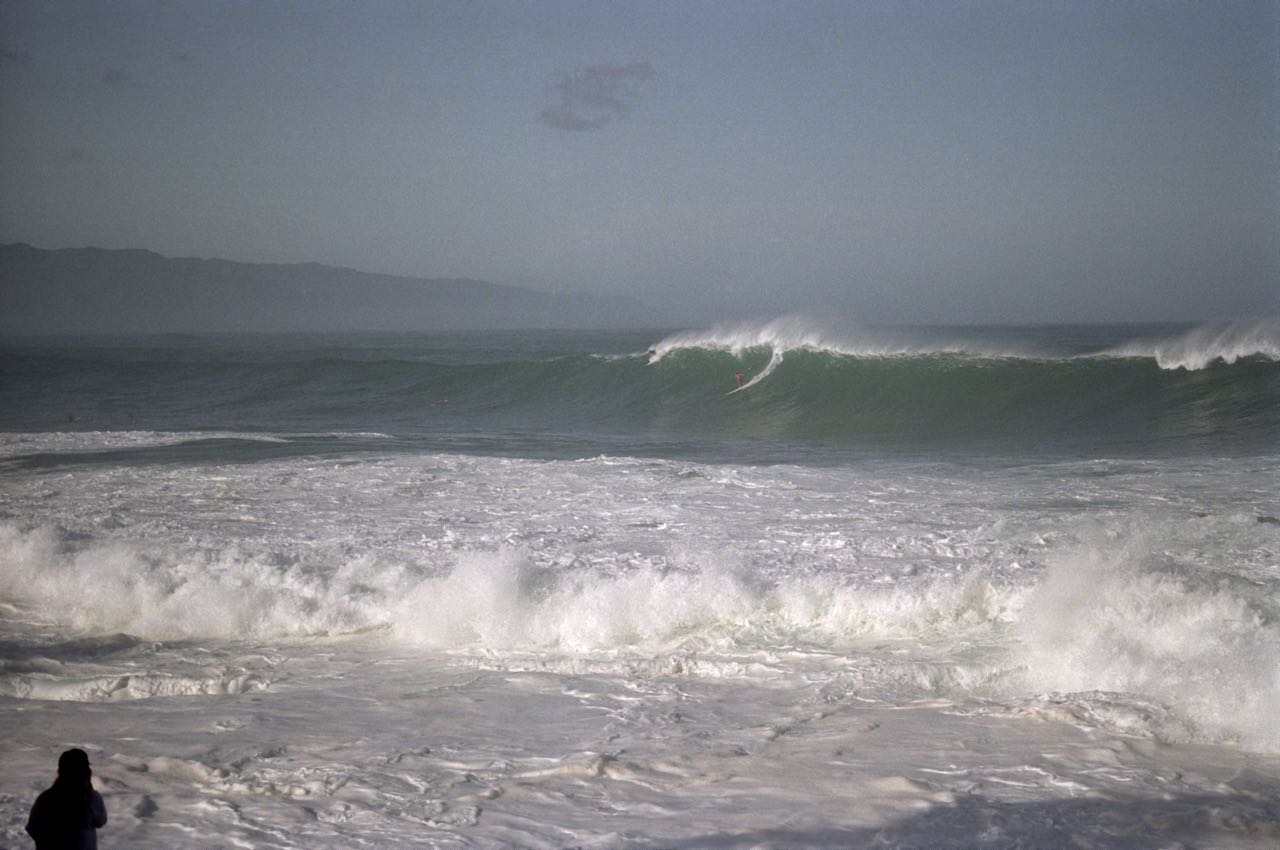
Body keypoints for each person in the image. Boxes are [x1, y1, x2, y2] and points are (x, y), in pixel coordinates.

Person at [25, 749, 107, 850]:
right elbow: (101, 821)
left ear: (60, 772)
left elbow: (33, 830)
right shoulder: (92, 799)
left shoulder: (45, 799)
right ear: (86, 772)